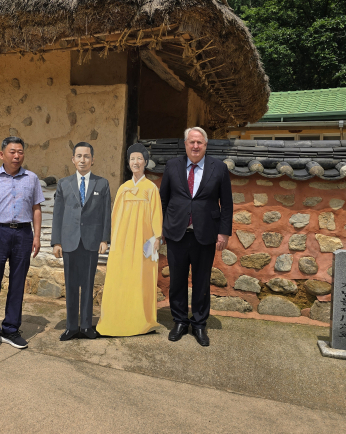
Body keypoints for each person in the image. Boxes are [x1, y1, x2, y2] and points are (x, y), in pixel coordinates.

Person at [159, 127, 233, 347]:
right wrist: (160, 228)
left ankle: (199, 324)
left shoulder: (218, 168)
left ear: (205, 145)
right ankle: (180, 321)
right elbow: (163, 199)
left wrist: (224, 232)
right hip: (176, 232)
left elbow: (226, 204)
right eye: (191, 142)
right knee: (177, 280)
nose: (195, 146)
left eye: (199, 142)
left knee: (202, 281)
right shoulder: (172, 166)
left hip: (206, 233)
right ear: (185, 144)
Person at [0, 136, 44, 354]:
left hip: (23, 233)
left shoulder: (31, 178)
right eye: (12, 151)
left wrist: (36, 236)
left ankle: (11, 329)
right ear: (2, 154)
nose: (17, 156)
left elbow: (36, 209)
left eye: (20, 152)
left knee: (17, 283)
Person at [97, 143, 163, 337]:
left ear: (145, 162)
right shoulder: (124, 188)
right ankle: (115, 318)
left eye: (139, 159)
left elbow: (156, 215)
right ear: (128, 163)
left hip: (143, 243)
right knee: (120, 278)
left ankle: (140, 320)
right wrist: (111, 240)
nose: (136, 162)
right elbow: (114, 216)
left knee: (140, 279)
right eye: (132, 159)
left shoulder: (151, 188)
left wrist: (156, 238)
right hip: (123, 243)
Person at [51, 142, 111, 341]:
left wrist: (105, 238)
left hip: (91, 242)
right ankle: (71, 326)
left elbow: (106, 214)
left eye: (86, 156)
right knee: (70, 285)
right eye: (79, 156)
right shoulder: (63, 183)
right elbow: (58, 214)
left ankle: (86, 326)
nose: (82, 160)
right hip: (69, 242)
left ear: (92, 160)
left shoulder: (101, 184)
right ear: (73, 160)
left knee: (87, 284)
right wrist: (56, 242)